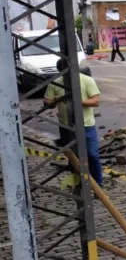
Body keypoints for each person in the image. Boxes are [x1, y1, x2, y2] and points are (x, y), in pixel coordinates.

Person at [44, 58, 103, 186]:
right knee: (73, 157)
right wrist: (57, 100)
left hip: (86, 124)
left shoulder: (86, 80)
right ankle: (80, 183)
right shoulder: (55, 83)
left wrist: (76, 101)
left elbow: (96, 101)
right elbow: (47, 103)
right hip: (66, 126)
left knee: (92, 155)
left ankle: (98, 183)